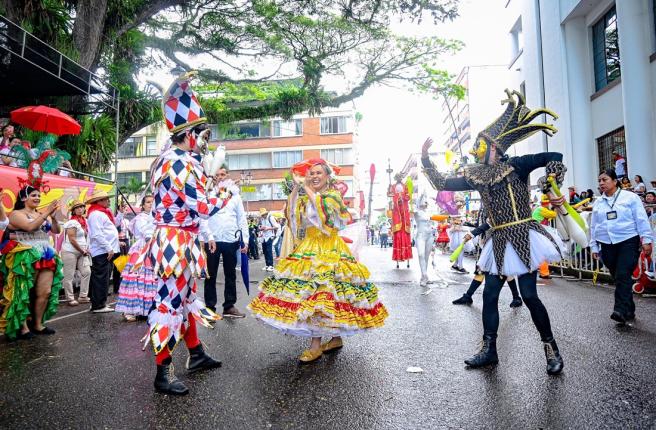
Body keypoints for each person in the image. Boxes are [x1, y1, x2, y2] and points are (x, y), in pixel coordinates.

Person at [421, 90, 566, 375]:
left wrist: (552, 176)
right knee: (489, 296)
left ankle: (551, 349)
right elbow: (441, 183)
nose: (475, 150)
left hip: (524, 236)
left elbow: (554, 156)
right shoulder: (476, 176)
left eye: (480, 145)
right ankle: (489, 350)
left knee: (529, 296)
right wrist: (426, 159)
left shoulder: (518, 165)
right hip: (497, 240)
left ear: (495, 148)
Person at [132, 73, 224, 395]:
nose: (206, 140)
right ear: (189, 135)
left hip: (177, 240)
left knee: (184, 300)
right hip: (177, 242)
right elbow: (202, 207)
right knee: (170, 303)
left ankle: (195, 353)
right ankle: (162, 372)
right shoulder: (184, 163)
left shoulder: (167, 159)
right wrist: (220, 188)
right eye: (203, 134)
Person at [248, 158, 388, 363]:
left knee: (324, 295)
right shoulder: (309, 196)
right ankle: (335, 338)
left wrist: (306, 188)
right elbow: (293, 216)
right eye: (311, 173)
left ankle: (316, 346)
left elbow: (328, 219)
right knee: (318, 296)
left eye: (318, 173)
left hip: (329, 248)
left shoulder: (332, 196)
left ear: (327, 176)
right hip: (309, 246)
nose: (314, 176)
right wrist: (296, 189)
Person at [590, 169, 653, 324]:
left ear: (615, 181)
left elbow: (641, 219)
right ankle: (629, 309)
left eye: (604, 180)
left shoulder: (630, 197)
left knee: (623, 274)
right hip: (606, 243)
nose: (601, 183)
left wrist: (646, 240)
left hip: (627, 240)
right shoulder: (598, 202)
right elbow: (594, 226)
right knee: (619, 277)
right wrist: (594, 246)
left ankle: (619, 310)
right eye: (599, 181)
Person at [0, 186, 62, 339]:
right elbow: (29, 226)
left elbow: (56, 230)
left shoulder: (41, 214)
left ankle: (38, 324)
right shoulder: (15, 214)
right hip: (25, 256)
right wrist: (47, 212)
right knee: (24, 292)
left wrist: (53, 217)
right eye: (34, 195)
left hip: (44, 255)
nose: (37, 198)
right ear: (23, 198)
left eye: (39, 196)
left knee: (45, 292)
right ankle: (23, 327)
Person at [202, 167, 249, 318]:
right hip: (212, 240)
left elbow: (241, 218)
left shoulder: (235, 196)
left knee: (230, 274)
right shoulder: (207, 193)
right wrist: (203, 238)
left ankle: (229, 306)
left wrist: (245, 240)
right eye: (217, 174)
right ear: (213, 176)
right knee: (210, 275)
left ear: (228, 175)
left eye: (223, 174)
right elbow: (202, 216)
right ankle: (210, 308)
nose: (220, 177)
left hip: (231, 238)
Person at [452, 221, 523, 308]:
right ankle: (468, 296)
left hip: (500, 243)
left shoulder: (496, 208)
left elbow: (489, 223)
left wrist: (472, 234)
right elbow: (482, 223)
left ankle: (516, 297)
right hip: (487, 243)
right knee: (481, 270)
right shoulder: (485, 208)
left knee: (505, 271)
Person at [115, 195, 156, 322]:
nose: (151, 204)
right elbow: (145, 233)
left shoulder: (157, 217)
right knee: (136, 279)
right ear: (143, 205)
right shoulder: (140, 218)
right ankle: (130, 309)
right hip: (141, 250)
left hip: (154, 249)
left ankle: (147, 309)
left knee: (150, 280)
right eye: (148, 202)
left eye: (153, 202)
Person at [86, 189, 119, 314]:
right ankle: (98, 305)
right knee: (101, 278)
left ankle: (97, 303)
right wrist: (108, 248)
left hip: (104, 250)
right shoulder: (96, 214)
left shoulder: (101, 213)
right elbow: (97, 234)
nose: (108, 201)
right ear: (98, 201)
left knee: (101, 278)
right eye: (105, 199)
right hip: (102, 251)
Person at [61, 200, 91, 306]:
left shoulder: (84, 221)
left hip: (82, 252)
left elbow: (86, 237)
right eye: (77, 208)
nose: (80, 209)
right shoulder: (72, 222)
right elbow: (72, 239)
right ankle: (70, 298)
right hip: (70, 251)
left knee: (86, 272)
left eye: (81, 207)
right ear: (73, 210)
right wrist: (82, 250)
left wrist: (87, 249)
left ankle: (83, 296)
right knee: (69, 276)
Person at [389, 173, 412, 268]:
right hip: (397, 212)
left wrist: (402, 197)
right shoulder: (393, 186)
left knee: (405, 234)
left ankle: (406, 257)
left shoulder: (405, 186)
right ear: (396, 178)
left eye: (400, 177)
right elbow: (390, 195)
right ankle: (398, 257)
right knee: (398, 235)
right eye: (397, 177)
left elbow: (408, 196)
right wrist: (395, 197)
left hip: (404, 211)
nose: (399, 179)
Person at [414, 193, 434, 287]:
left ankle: (424, 277)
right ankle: (425, 274)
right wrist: (422, 194)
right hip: (420, 236)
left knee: (426, 257)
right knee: (420, 254)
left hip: (429, 235)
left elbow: (433, 222)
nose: (425, 203)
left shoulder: (429, 212)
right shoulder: (416, 212)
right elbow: (411, 209)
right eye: (423, 201)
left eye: (426, 202)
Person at [112, 201, 131, 295]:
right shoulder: (116, 219)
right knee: (118, 266)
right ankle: (116, 287)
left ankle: (124, 286)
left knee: (125, 265)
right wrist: (119, 242)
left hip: (126, 242)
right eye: (123, 209)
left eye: (126, 209)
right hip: (118, 243)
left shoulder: (127, 221)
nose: (125, 211)